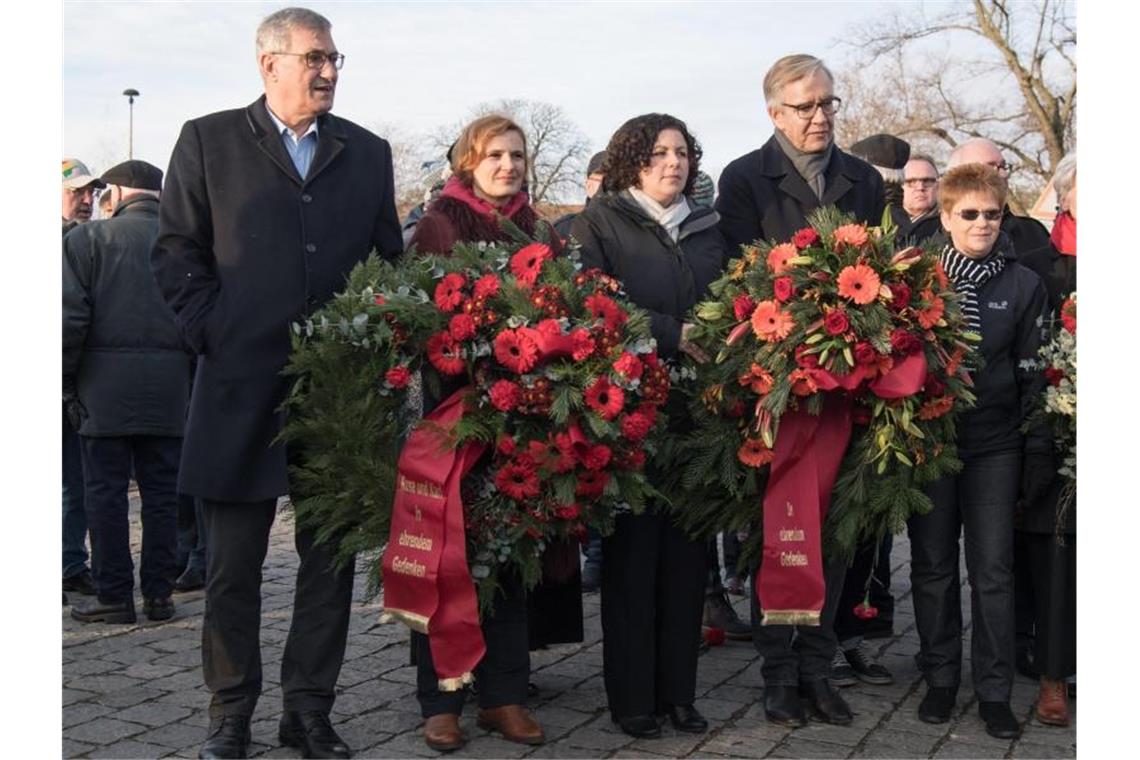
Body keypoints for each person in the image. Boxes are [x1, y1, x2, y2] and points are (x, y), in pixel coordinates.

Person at [150, 7, 402, 758]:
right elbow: (175, 254)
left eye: (335, 59)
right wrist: (218, 333)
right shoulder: (208, 139)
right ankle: (230, 713)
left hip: (338, 399)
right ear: (270, 64)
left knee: (329, 567)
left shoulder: (367, 151)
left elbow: (388, 261)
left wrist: (375, 334)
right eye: (315, 57)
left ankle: (309, 710)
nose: (328, 70)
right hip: (238, 388)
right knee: (233, 570)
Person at [715, 53, 884, 728]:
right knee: (780, 527)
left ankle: (818, 669)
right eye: (804, 106)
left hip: (846, 386)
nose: (820, 117)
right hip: (779, 384)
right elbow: (736, 282)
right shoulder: (744, 180)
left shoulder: (863, 180)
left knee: (836, 530)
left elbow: (878, 272)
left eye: (828, 103)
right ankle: (778, 674)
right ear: (774, 113)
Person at [407, 114, 560, 753]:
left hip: (523, 413)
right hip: (457, 414)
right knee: (447, 555)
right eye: (494, 155)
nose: (507, 165)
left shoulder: (538, 228)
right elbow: (419, 315)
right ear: (470, 161)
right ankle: (440, 700)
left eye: (517, 155)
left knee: (514, 553)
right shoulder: (440, 223)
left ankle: (504, 695)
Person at [573, 112, 723, 739]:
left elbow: (733, 294)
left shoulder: (710, 225)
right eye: (659, 152)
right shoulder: (600, 221)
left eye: (682, 153)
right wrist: (670, 333)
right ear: (633, 158)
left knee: (689, 559)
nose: (673, 163)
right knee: (634, 561)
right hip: (629, 410)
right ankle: (634, 698)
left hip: (697, 414)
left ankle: (679, 694)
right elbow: (589, 301)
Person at [908, 163, 1049, 740]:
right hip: (929, 445)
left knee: (991, 571)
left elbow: (1035, 376)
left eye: (992, 213)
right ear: (945, 217)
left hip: (995, 446)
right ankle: (941, 678)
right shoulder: (916, 276)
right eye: (969, 213)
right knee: (932, 566)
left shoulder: (1024, 284)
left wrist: (1034, 448)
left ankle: (994, 691)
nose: (983, 223)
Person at [64, 159, 188, 626]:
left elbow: (68, 321)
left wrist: (63, 383)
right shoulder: (186, 246)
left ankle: (114, 593)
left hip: (102, 391)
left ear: (115, 194)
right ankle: (159, 594)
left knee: (105, 495)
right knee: (162, 494)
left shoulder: (86, 240)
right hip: (170, 391)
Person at [1015, 154, 1076, 727]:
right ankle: (1053, 675)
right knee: (1058, 552)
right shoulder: (1037, 266)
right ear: (1066, 194)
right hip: (1053, 424)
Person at [62, 158, 106, 603]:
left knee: (74, 482)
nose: (87, 200)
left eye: (91, 192)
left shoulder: (91, 240)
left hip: (75, 384)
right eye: (77, 192)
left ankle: (70, 564)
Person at [947, 138, 1052, 262]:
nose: (1003, 174)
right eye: (990, 167)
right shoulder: (929, 237)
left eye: (1003, 166)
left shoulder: (1033, 233)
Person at [552, 150, 607, 239]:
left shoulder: (633, 230)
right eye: (602, 180)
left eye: (615, 180)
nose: (609, 186)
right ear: (588, 185)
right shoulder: (564, 229)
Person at [895, 153, 942, 246]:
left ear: (938, 185)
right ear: (900, 185)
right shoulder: (882, 221)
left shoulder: (949, 224)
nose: (920, 187)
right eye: (911, 182)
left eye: (927, 181)